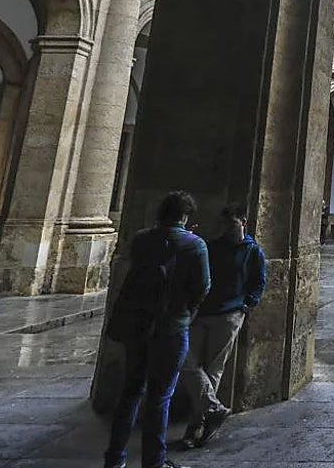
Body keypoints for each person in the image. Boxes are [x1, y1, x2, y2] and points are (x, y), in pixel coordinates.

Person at [104, 190, 210, 468]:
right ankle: (154, 461)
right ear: (185, 216)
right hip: (171, 328)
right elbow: (203, 287)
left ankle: (114, 458)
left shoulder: (141, 240)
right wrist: (187, 311)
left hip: (137, 326)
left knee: (130, 392)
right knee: (160, 397)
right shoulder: (194, 245)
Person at [179, 204, 267, 451]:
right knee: (186, 361)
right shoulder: (212, 247)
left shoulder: (253, 251)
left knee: (214, 368)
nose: (228, 228)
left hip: (230, 314)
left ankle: (196, 425)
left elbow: (259, 281)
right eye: (225, 223)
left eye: (233, 223)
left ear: (243, 222)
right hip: (202, 313)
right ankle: (214, 409)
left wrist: (247, 304)